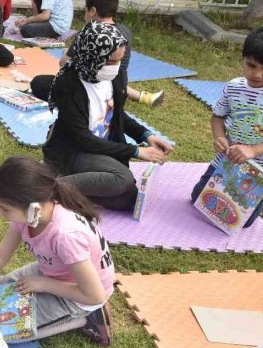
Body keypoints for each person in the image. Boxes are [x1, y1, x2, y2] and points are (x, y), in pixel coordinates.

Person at [42, 21, 174, 211]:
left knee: (130, 199)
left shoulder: (115, 77)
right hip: (75, 150)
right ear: (92, 55)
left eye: (119, 61)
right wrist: (136, 151)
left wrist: (147, 136)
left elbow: (116, 115)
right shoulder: (68, 85)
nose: (116, 67)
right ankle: (50, 189)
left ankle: (70, 192)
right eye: (111, 61)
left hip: (101, 147)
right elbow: (82, 140)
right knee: (123, 179)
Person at [0, 157, 116, 345]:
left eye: (5, 209)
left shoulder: (65, 235)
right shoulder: (32, 214)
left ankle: (88, 317)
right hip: (53, 270)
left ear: (34, 209)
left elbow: (94, 294)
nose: (0, 214)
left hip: (81, 295)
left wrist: (43, 284)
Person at [190, 26, 263, 227]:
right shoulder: (233, 87)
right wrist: (219, 137)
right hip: (228, 161)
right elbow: (218, 117)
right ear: (242, 59)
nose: (257, 74)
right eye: (251, 65)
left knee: (242, 221)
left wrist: (254, 150)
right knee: (198, 199)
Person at [30, 0, 164, 107]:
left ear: (93, 11)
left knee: (39, 82)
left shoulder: (90, 32)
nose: (85, 15)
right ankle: (140, 96)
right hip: (118, 89)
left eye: (86, 10)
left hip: (92, 91)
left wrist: (66, 53)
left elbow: (64, 64)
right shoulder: (125, 31)